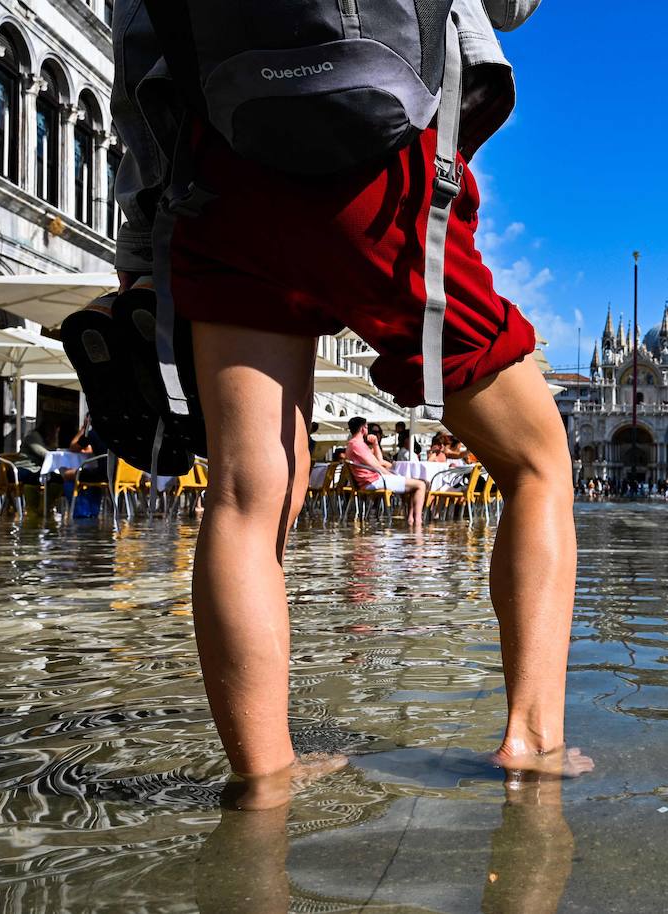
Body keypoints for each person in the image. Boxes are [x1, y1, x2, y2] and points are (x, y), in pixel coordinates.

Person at [107, 0, 589, 806]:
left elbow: (137, 46)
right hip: (382, 163)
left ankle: (265, 775)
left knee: (245, 495)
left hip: (220, 173)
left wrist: (138, 240)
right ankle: (533, 744)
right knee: (538, 463)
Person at [345, 417, 427, 526]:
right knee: (421, 485)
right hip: (373, 481)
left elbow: (377, 463)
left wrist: (375, 444)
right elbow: (376, 466)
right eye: (366, 427)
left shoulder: (353, 444)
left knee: (412, 484)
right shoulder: (357, 445)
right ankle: (418, 522)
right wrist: (392, 475)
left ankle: (411, 519)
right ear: (363, 429)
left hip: (370, 481)